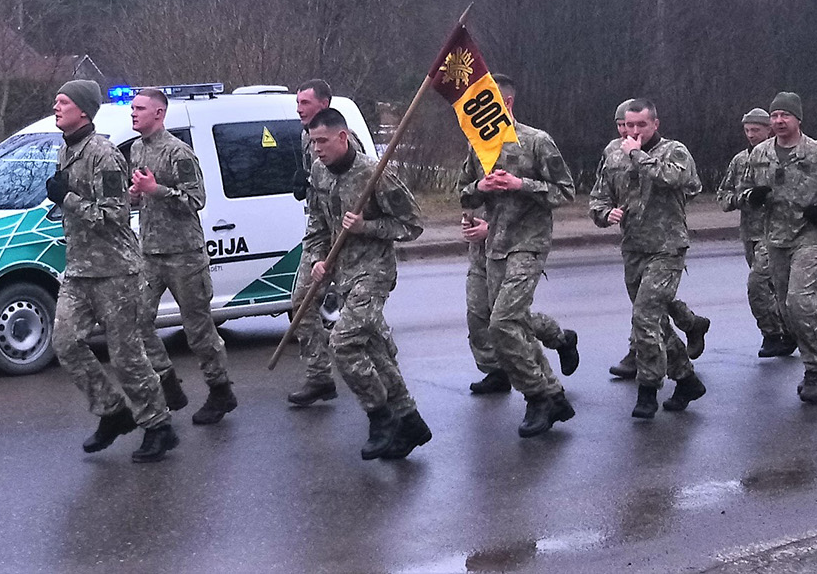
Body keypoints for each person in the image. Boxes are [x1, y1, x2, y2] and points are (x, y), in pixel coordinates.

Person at [47, 79, 177, 462]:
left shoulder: (103, 155)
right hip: (80, 270)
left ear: (83, 111)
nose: (56, 106)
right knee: (66, 343)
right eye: (56, 101)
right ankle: (113, 412)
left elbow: (115, 215)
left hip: (116, 272)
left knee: (126, 356)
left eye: (63, 101)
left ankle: (159, 426)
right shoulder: (66, 151)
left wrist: (67, 199)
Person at [301, 106, 430, 460]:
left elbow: (413, 224)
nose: (317, 149)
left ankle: (380, 417)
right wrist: (316, 259)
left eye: (323, 141)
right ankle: (410, 420)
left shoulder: (375, 174)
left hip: (374, 273)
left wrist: (366, 227)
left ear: (343, 137)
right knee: (374, 349)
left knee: (342, 342)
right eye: (313, 143)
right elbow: (317, 223)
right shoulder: (319, 172)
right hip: (341, 273)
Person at [457, 74, 580, 437]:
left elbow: (567, 191)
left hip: (529, 241)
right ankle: (553, 394)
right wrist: (481, 186)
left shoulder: (536, 141)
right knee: (510, 323)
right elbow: (463, 193)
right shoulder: (479, 145)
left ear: (505, 104)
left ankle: (538, 397)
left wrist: (520, 184)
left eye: (487, 101)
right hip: (494, 243)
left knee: (504, 322)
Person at [589, 99, 709, 419]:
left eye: (641, 125)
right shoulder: (613, 152)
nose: (634, 131)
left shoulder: (674, 151)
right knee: (654, 321)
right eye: (629, 125)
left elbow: (673, 179)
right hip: (633, 247)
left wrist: (636, 154)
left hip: (667, 247)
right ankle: (686, 378)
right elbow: (598, 196)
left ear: (655, 124)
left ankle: (648, 390)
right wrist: (605, 213)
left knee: (644, 316)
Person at [127, 88, 237, 426]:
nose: (133, 113)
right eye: (132, 108)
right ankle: (168, 383)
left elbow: (196, 199)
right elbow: (141, 197)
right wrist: (134, 195)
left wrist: (155, 190)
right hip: (150, 252)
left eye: (140, 108)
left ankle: (220, 391)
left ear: (158, 114)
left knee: (198, 329)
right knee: (136, 319)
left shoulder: (179, 153)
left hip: (184, 254)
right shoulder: (136, 148)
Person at [744, 91, 817, 404]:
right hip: (775, 238)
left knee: (800, 303)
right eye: (775, 116)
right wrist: (751, 197)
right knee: (786, 309)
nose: (780, 121)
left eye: (786, 115)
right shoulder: (760, 154)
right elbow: (739, 190)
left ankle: (816, 368)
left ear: (798, 119)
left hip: (811, 236)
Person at [286, 78, 348, 407]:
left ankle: (378, 375)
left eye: (304, 103)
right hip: (319, 231)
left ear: (323, 105)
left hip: (349, 236)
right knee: (301, 301)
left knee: (358, 314)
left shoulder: (345, 142)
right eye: (297, 103)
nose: (298, 109)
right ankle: (319, 375)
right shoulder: (304, 136)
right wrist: (306, 183)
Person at [717, 108, 793, 358]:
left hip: (777, 232)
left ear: (769, 130)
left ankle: (773, 333)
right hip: (750, 234)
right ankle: (787, 331)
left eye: (756, 130)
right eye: (747, 130)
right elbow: (723, 197)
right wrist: (746, 197)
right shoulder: (740, 161)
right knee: (772, 288)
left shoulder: (782, 156)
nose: (751, 135)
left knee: (758, 284)